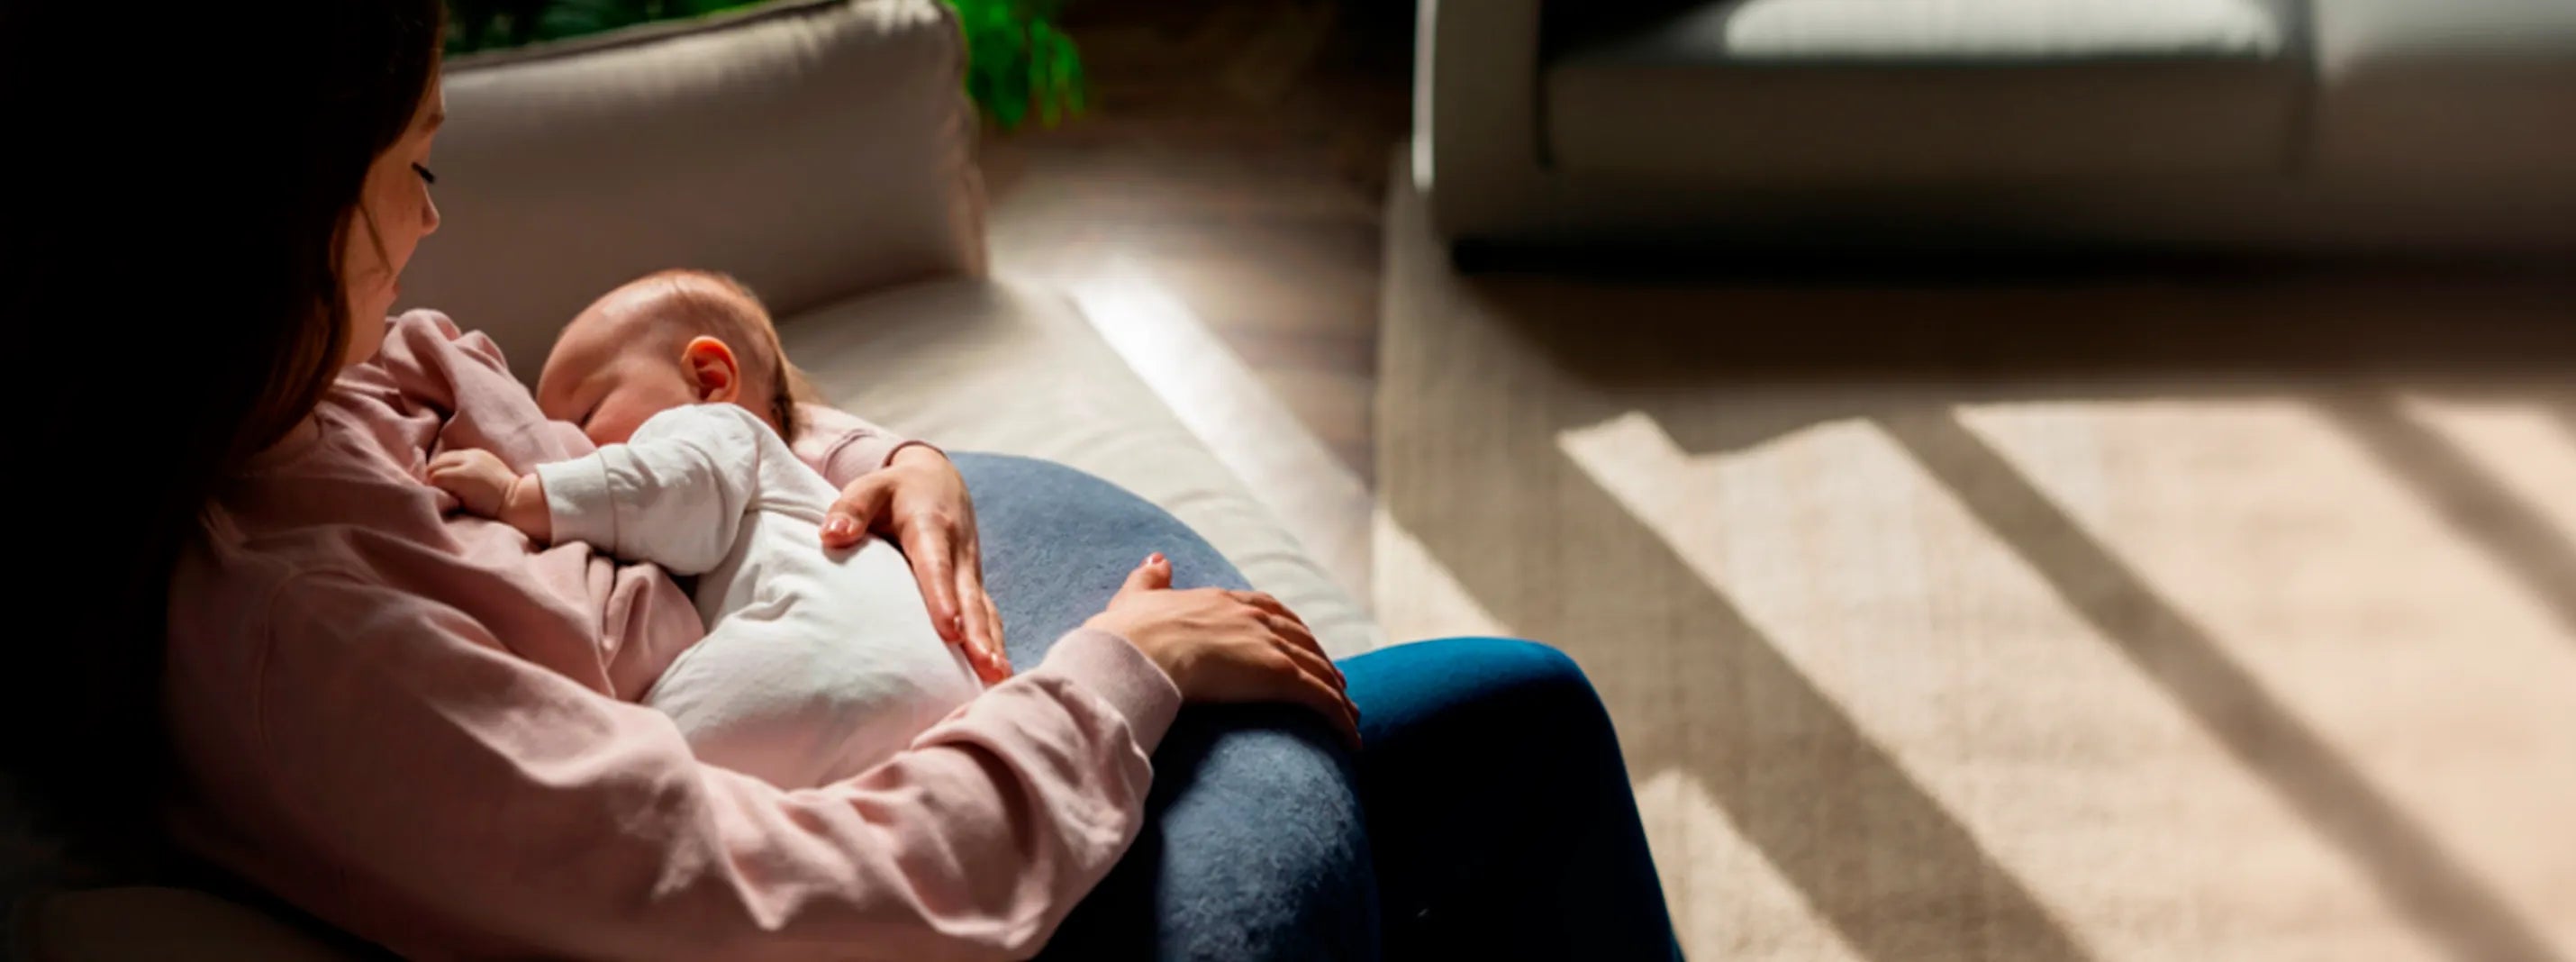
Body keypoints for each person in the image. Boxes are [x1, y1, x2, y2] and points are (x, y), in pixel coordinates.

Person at [0, 2, 1683, 959]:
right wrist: (1120, 678)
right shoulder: (310, 653)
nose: (434, 222)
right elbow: (769, 905)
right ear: (251, 232)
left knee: (1530, 710)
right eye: (410, 168)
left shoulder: (347, 383)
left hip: (971, 752)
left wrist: (885, 461)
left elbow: (662, 444)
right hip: (941, 880)